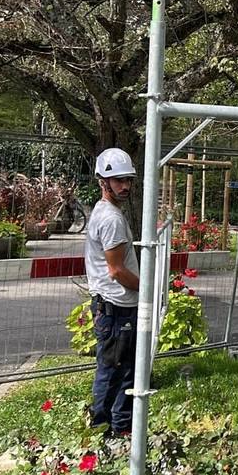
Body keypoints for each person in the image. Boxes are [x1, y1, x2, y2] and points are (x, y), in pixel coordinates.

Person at [85, 147, 141, 436]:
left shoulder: (106, 212)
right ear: (103, 181)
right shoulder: (111, 219)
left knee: (123, 370)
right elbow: (116, 270)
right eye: (118, 180)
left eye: (128, 180)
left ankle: (119, 429)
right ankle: (101, 430)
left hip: (113, 306)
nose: (125, 186)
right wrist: (147, 289)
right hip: (116, 307)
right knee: (113, 371)